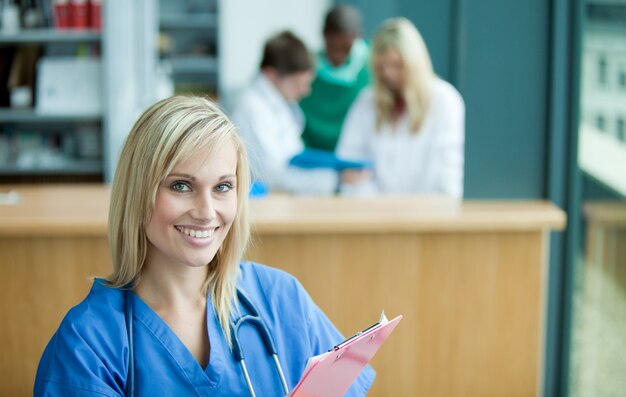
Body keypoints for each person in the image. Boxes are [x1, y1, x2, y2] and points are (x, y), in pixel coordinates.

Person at [33, 95, 375, 396]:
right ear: (137, 193)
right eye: (181, 185)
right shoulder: (89, 342)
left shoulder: (280, 299)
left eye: (223, 187)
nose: (206, 212)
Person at [336, 18, 465, 197]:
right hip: (373, 217)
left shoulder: (445, 101)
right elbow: (349, 167)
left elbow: (447, 177)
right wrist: (379, 209)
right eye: (382, 66)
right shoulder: (367, 101)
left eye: (397, 65)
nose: (389, 74)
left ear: (414, 63)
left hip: (427, 217)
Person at [230, 31, 337, 195]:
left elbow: (293, 156)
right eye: (298, 83)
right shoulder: (251, 108)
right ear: (271, 74)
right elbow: (271, 175)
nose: (305, 91)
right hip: (263, 203)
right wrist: (333, 179)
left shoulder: (283, 104)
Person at [299, 5, 371, 152]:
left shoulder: (373, 68)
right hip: (313, 157)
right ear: (323, 35)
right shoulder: (306, 72)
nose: (337, 56)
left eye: (345, 48)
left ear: (357, 37)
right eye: (332, 47)